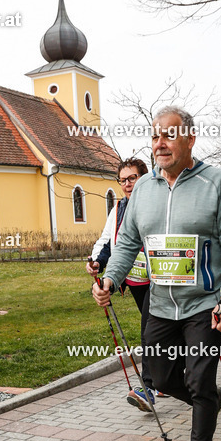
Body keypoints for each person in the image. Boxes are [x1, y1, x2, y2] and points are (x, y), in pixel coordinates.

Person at [92, 107, 221, 441]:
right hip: (161, 304)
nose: (159, 143)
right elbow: (127, 242)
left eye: (169, 136)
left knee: (198, 377)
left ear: (190, 139)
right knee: (158, 377)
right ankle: (208, 398)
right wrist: (110, 278)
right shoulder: (143, 190)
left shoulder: (214, 182)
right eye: (155, 136)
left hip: (204, 302)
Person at [87, 158, 154, 411]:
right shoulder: (118, 210)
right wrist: (96, 262)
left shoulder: (155, 202)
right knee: (158, 331)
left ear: (144, 178)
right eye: (123, 180)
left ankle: (148, 388)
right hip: (134, 280)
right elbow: (107, 242)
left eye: (132, 178)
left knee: (150, 332)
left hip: (158, 279)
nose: (127, 184)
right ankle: (169, 375)